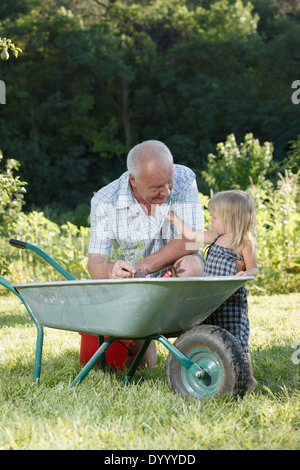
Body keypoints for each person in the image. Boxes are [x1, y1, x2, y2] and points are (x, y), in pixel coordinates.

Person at [88, 140, 204, 368]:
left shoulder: (183, 178)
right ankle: (145, 337)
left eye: (168, 183)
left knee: (191, 265)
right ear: (133, 180)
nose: (167, 191)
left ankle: (190, 343)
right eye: (157, 188)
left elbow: (192, 242)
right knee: (142, 367)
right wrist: (111, 269)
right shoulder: (104, 202)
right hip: (138, 287)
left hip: (174, 274)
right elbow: (94, 264)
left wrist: (143, 267)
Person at [164, 190, 258, 390]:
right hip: (210, 299)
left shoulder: (243, 243)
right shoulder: (216, 236)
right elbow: (191, 235)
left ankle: (248, 378)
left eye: (215, 216)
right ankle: (219, 370)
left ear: (230, 219)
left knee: (236, 340)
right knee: (211, 334)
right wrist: (174, 219)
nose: (210, 219)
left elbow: (254, 268)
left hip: (230, 300)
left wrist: (247, 273)